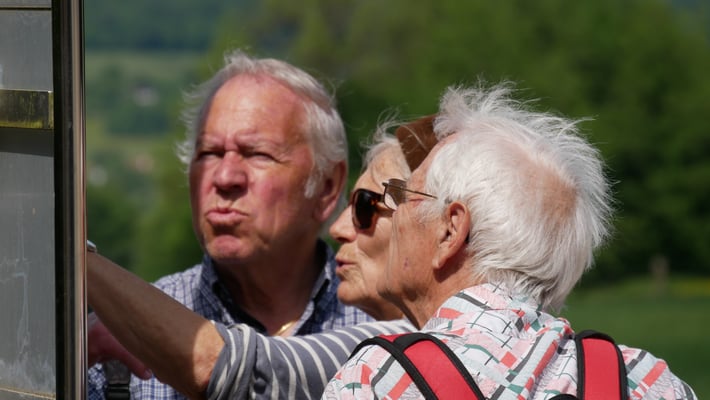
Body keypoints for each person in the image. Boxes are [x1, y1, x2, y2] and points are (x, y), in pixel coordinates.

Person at [323, 82, 698, 399]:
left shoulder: (378, 380)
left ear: (451, 231)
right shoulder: (647, 380)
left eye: (406, 196)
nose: (396, 213)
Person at [87, 48, 378, 399]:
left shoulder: (384, 324)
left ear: (327, 187)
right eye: (208, 153)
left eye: (257, 154)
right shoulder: (118, 337)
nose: (224, 177)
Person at [87, 117, 440, 398]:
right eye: (208, 152)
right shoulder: (111, 321)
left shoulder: (413, 344)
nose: (339, 229)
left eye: (364, 206)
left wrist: (78, 260)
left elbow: (226, 366)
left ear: (447, 229)